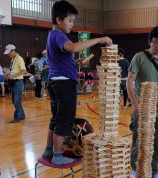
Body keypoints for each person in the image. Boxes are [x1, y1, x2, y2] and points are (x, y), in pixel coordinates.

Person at [40, 0, 112, 165]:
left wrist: (75, 63)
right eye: (70, 20)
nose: (72, 24)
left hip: (56, 82)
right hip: (64, 84)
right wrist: (99, 39)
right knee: (65, 120)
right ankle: (57, 156)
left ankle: (49, 150)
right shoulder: (58, 34)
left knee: (56, 118)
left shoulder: (53, 35)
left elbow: (64, 57)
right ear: (59, 20)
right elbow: (73, 48)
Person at [127, 26, 158, 178]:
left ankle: (154, 168)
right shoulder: (139, 57)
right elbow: (130, 81)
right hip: (141, 108)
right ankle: (135, 168)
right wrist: (135, 104)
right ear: (150, 42)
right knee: (138, 138)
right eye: (156, 42)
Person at [4, 44, 26, 123]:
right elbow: (14, 70)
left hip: (18, 82)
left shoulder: (19, 59)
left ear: (13, 51)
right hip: (14, 82)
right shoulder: (13, 59)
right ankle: (22, 115)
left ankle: (18, 117)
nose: (8, 55)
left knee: (16, 100)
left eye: (9, 53)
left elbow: (23, 71)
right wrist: (8, 74)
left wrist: (12, 76)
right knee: (16, 100)